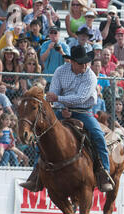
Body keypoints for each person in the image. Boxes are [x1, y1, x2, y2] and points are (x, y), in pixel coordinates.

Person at [21, 45, 115, 192]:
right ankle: (36, 174)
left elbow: (81, 98)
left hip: (83, 111)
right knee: (42, 135)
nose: (84, 65)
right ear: (72, 62)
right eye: (80, 63)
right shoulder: (60, 71)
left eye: (85, 62)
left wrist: (59, 99)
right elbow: (52, 93)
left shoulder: (90, 75)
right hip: (60, 109)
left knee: (97, 135)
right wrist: (60, 104)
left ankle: (104, 173)